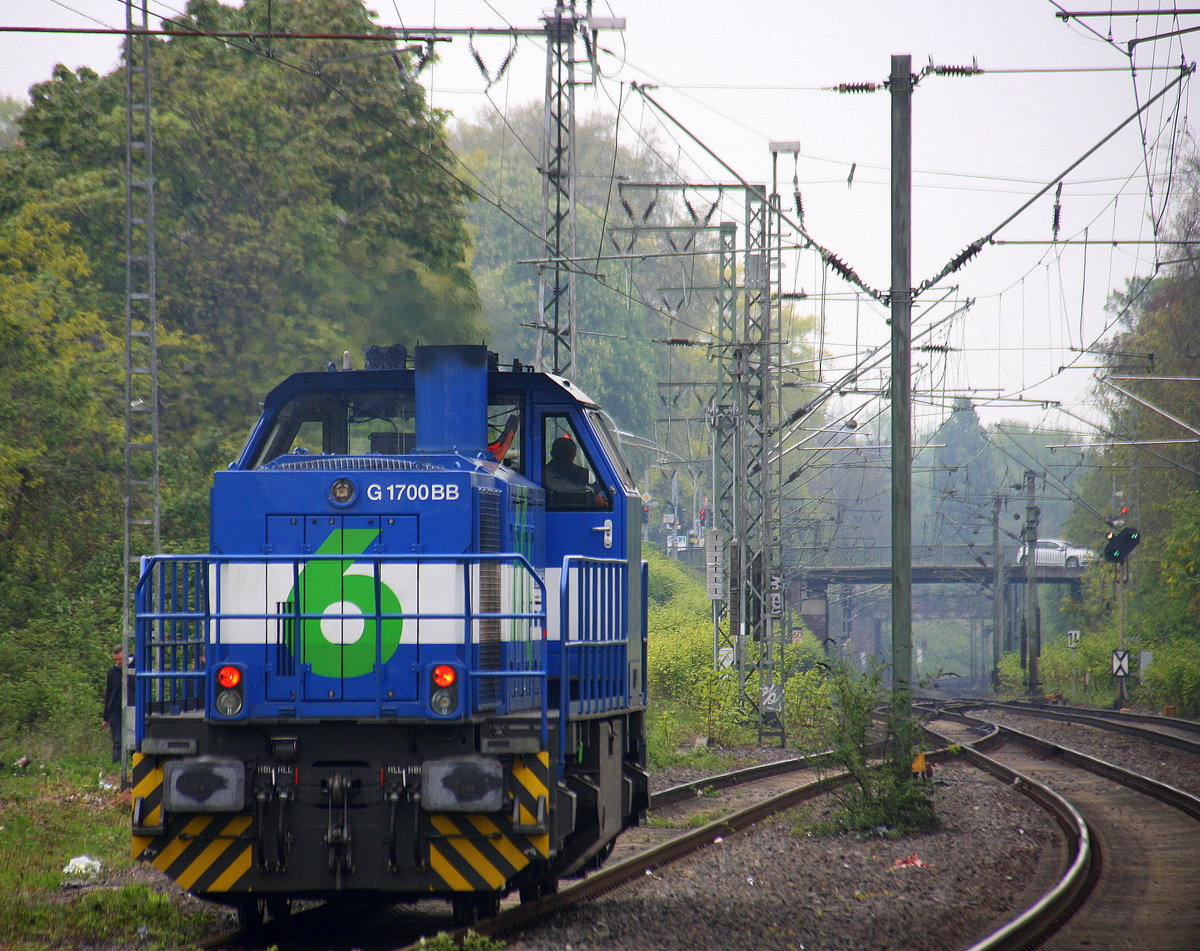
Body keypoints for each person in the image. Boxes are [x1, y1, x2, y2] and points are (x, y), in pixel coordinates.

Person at [102, 644, 124, 764]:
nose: (117, 662)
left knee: (134, 742)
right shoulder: (112, 672)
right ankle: (116, 768)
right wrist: (106, 717)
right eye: (115, 659)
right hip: (115, 711)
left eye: (120, 659)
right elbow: (109, 694)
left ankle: (133, 768)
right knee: (117, 741)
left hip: (132, 709)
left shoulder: (135, 668)